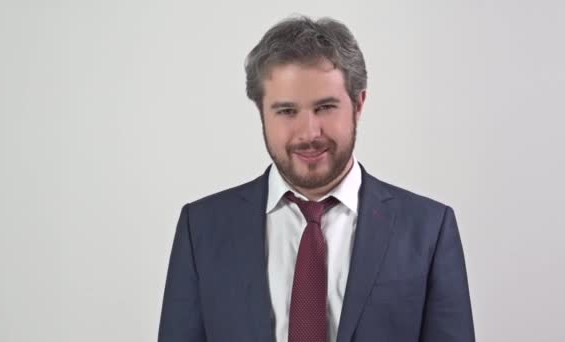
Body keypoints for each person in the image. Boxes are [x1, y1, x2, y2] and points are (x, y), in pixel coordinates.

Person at [158, 15, 475, 342]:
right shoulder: (202, 229)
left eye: (325, 107)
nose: (309, 133)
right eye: (286, 111)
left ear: (359, 104)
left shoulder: (428, 229)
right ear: (261, 113)